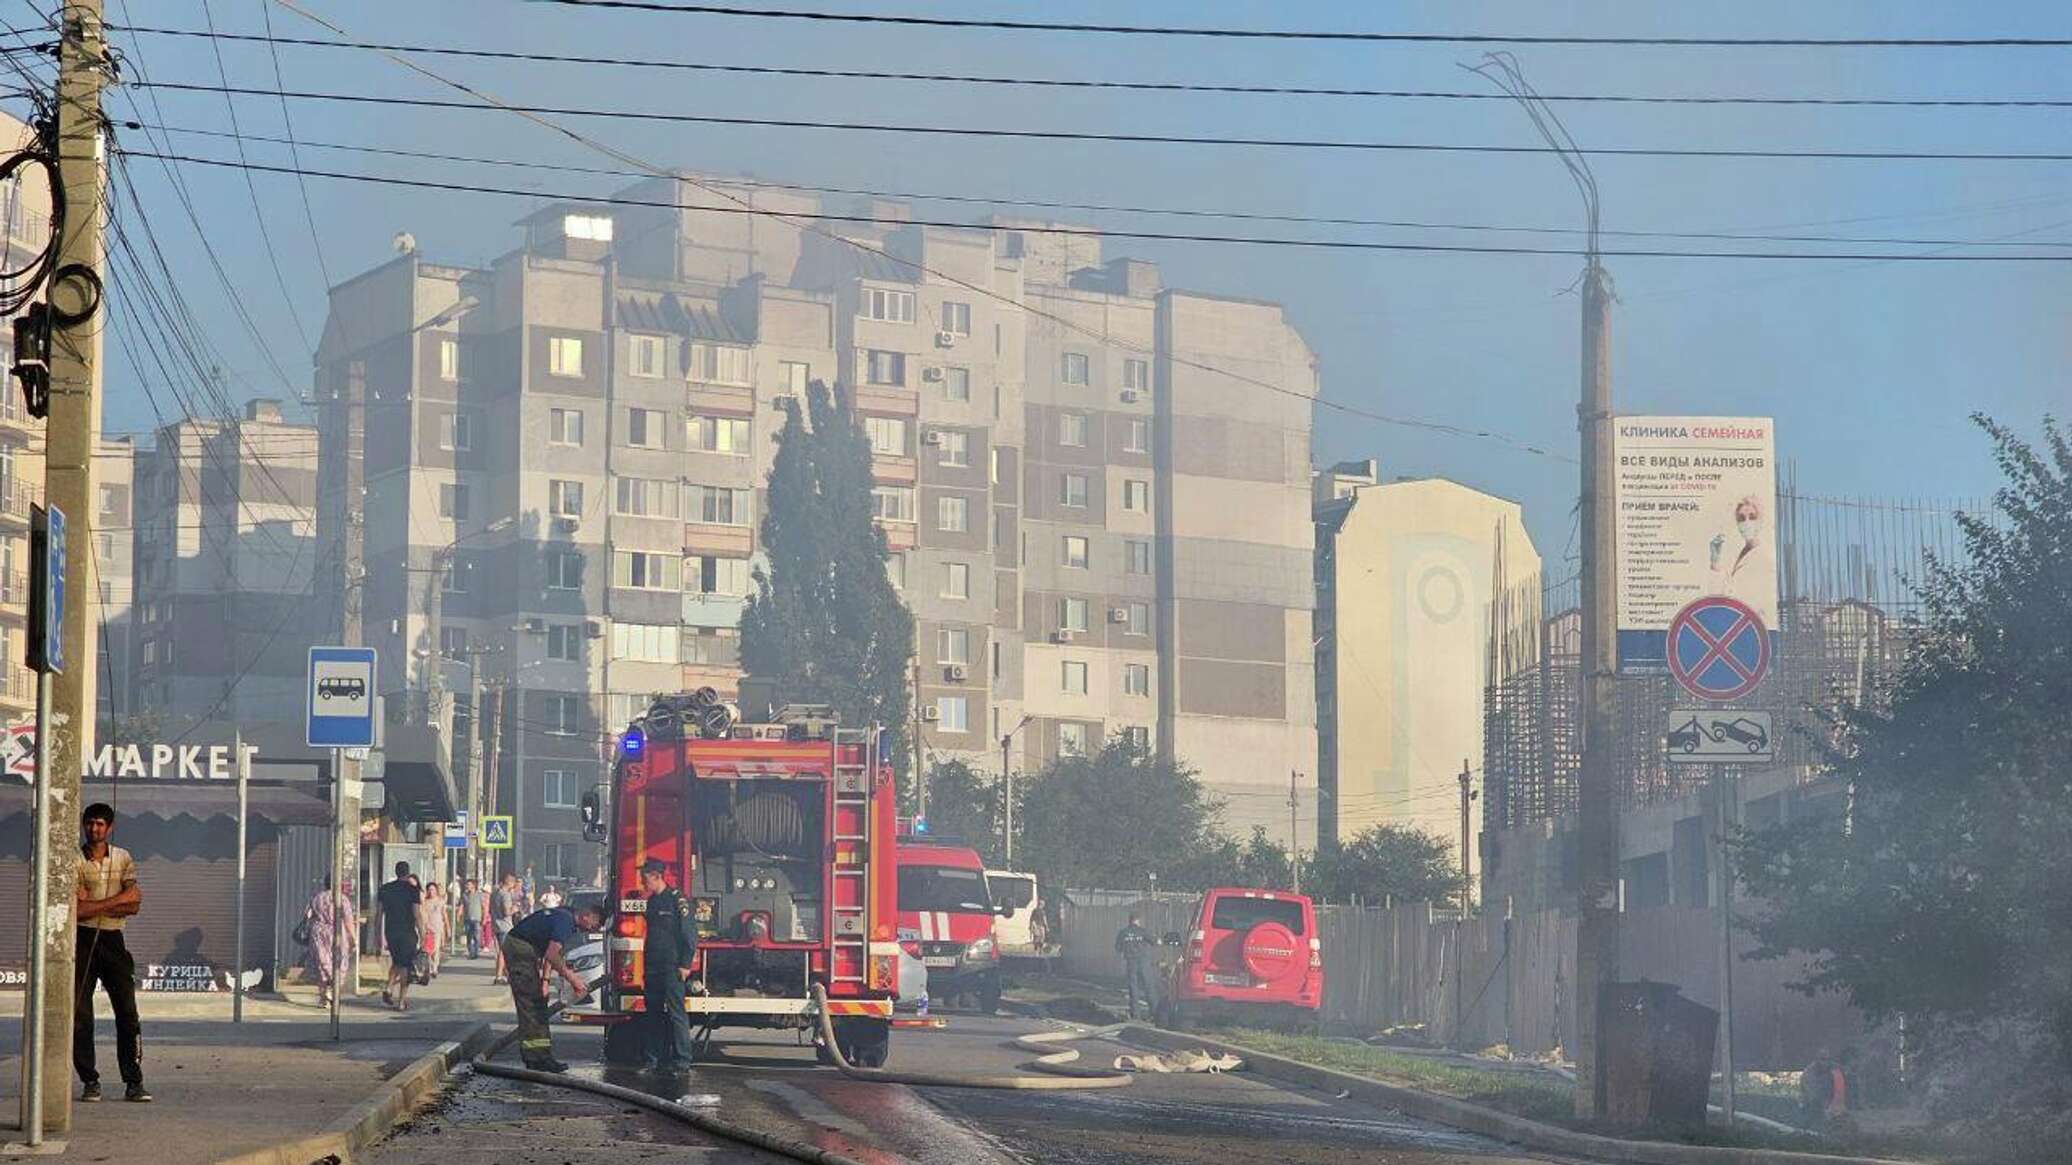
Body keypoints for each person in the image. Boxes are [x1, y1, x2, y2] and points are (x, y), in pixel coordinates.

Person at [75, 803, 149, 1103]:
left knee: (127, 1014)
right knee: (80, 1014)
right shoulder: (74, 860)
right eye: (90, 823)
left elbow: (135, 904)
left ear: (110, 827)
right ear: (84, 825)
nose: (95, 829)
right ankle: (90, 1080)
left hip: (113, 940)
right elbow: (75, 911)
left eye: (100, 824)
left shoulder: (122, 857)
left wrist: (96, 904)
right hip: (82, 940)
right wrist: (115, 901)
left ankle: (133, 1081)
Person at [502, 899, 610, 1071]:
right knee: (531, 1005)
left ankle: (540, 1056)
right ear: (586, 916)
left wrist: (545, 981)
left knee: (538, 1003)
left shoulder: (566, 917)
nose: (592, 929)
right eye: (594, 925)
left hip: (525, 948)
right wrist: (573, 979)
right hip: (520, 950)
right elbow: (552, 954)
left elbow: (551, 952)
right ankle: (536, 1058)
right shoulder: (565, 923)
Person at [637, 858, 697, 1074]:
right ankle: (653, 1060)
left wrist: (685, 963)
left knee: (676, 1013)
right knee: (652, 1013)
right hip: (653, 965)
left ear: (656, 876)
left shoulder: (677, 900)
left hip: (672, 966)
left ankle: (682, 1061)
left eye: (645, 878)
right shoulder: (652, 901)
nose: (643, 883)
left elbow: (689, 934)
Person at [301, 878, 356, 1009]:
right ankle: (332, 989)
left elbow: (306, 915)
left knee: (321, 963)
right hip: (337, 932)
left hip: (319, 933)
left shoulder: (316, 898)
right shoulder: (342, 899)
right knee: (338, 962)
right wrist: (353, 938)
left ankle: (323, 997)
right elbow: (348, 920)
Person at [375, 861, 423, 1010]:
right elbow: (416, 914)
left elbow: (379, 913)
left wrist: (377, 933)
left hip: (391, 932)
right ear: (407, 873)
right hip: (407, 932)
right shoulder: (412, 890)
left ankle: (389, 988)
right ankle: (402, 1001)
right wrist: (422, 932)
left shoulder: (385, 889)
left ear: (396, 872)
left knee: (397, 961)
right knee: (405, 967)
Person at [1115, 913, 1159, 1020]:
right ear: (1138, 920)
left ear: (1129, 920)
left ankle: (1135, 1015)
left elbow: (1118, 948)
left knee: (1133, 988)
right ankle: (1155, 1012)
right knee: (1149, 987)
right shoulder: (1143, 931)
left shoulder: (1123, 933)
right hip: (1144, 963)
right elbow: (1155, 942)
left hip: (1131, 963)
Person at [490, 872, 520, 984]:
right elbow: (506, 912)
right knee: (504, 952)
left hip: (496, 925)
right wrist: (515, 909)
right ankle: (498, 976)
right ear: (510, 882)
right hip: (505, 926)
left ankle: (507, 975)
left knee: (502, 952)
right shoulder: (505, 895)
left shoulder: (495, 893)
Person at [418, 882, 448, 981]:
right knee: (428, 950)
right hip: (428, 928)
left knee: (436, 949)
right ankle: (430, 968)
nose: (431, 892)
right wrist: (424, 926)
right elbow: (422, 914)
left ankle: (435, 968)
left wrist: (447, 927)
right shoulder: (425, 902)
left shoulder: (440, 901)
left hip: (438, 927)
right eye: (430, 890)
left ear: (436, 891)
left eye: (433, 890)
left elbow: (444, 914)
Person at [461, 878, 487, 960]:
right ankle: (471, 952)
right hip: (467, 919)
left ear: (473, 886)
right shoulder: (464, 895)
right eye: (467, 885)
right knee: (469, 936)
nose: (467, 886)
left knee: (476, 937)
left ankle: (475, 953)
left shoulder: (480, 895)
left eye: (469, 885)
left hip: (477, 919)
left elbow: (484, 907)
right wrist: (459, 914)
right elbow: (462, 906)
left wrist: (484, 918)